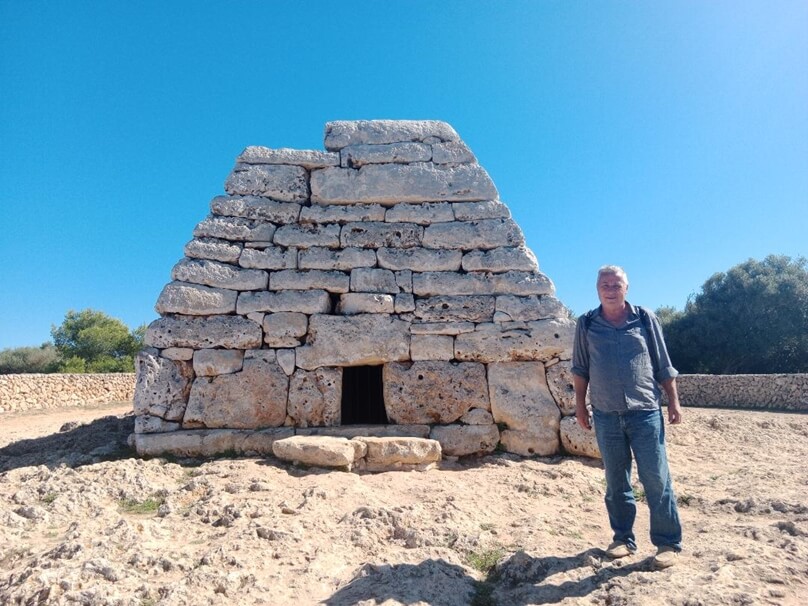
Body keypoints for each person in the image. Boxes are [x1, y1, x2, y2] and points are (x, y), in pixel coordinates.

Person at [571, 265, 683, 570]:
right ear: (597, 289)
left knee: (656, 479)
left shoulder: (645, 318)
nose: (610, 288)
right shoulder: (586, 323)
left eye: (616, 283)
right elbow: (580, 369)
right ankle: (622, 539)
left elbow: (663, 364)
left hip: (645, 412)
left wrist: (673, 401)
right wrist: (580, 406)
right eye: (604, 284)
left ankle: (668, 543)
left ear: (626, 287)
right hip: (606, 413)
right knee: (616, 480)